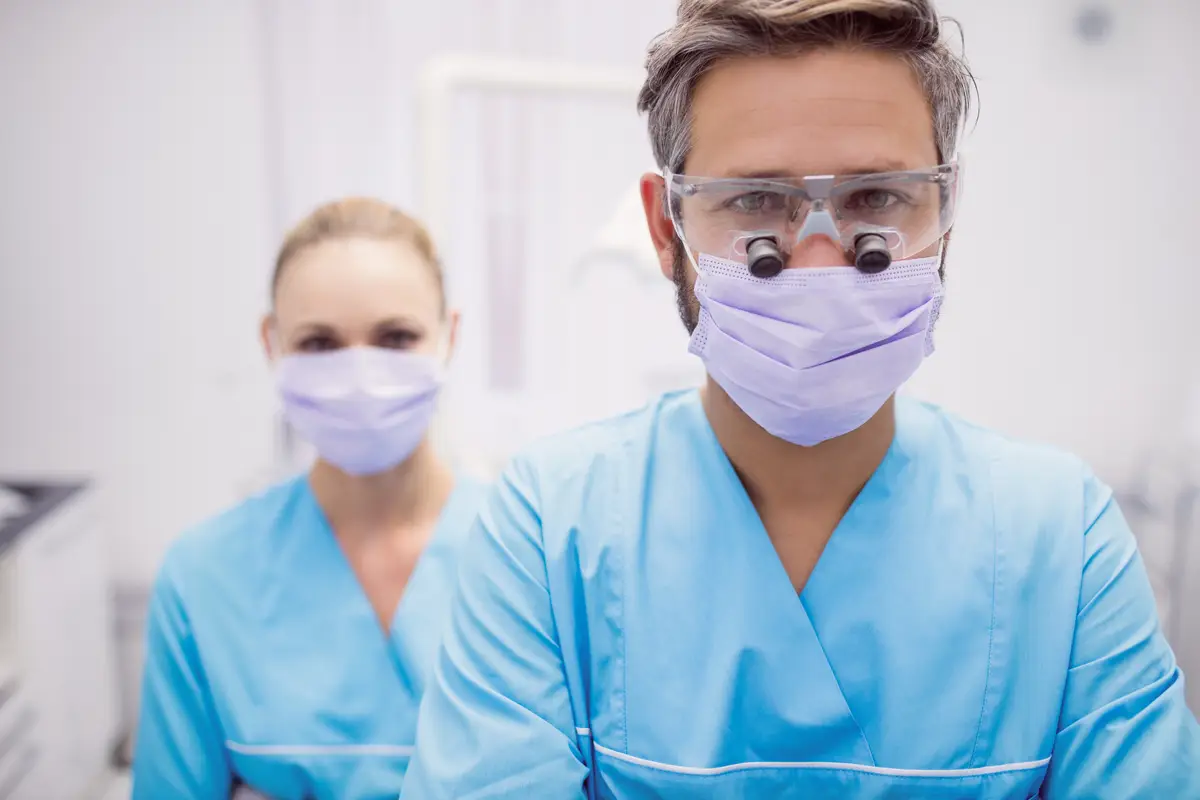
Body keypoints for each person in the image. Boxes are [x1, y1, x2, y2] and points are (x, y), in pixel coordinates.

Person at [401, 1, 1200, 798]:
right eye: (755, 201)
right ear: (663, 226)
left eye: (877, 196)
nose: (819, 261)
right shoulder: (551, 530)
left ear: (946, 216)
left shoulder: (1059, 536)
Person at [132, 198, 488, 799]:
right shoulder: (205, 576)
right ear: (272, 342)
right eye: (319, 343)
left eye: (395, 337)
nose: (358, 376)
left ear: (449, 336)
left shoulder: (529, 558)